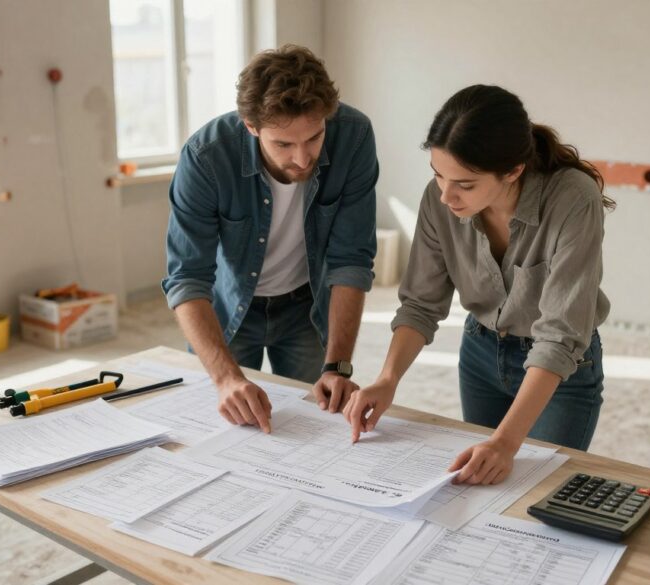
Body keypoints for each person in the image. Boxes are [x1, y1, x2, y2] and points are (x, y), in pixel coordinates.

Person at [344, 84, 614, 486]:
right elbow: (420, 304)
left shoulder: (574, 199)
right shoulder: (439, 200)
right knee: (479, 487)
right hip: (481, 353)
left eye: (465, 184)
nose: (446, 196)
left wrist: (505, 442)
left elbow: (560, 337)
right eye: (438, 175)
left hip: (562, 371)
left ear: (513, 170)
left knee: (541, 493)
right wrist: (388, 378)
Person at [163, 45, 378, 434]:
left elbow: (352, 260)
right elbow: (186, 277)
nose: (301, 158)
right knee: (222, 430)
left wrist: (338, 366)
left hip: (306, 309)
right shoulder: (206, 156)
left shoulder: (355, 136)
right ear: (250, 125)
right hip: (229, 312)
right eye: (283, 144)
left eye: (314, 137)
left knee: (317, 426)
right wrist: (226, 378)